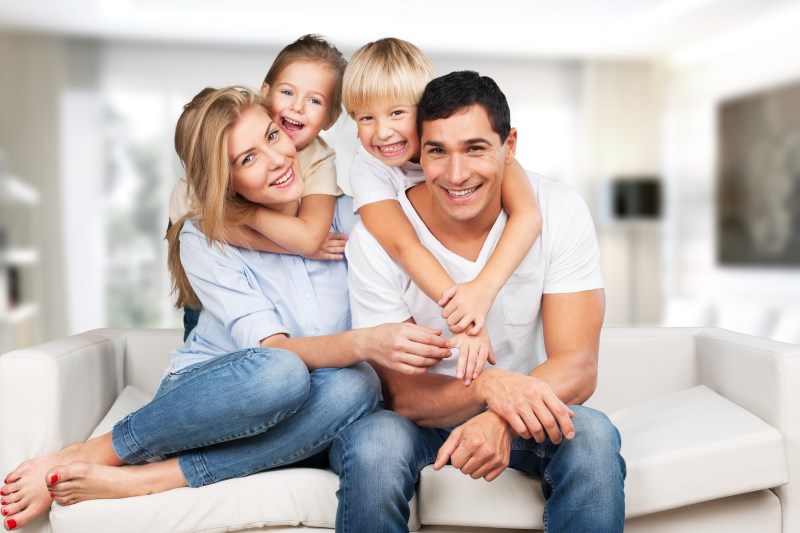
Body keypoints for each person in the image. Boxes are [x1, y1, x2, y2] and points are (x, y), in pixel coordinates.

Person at [0, 86, 452, 532]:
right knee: (281, 371)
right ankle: (91, 453)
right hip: (217, 400)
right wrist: (363, 341)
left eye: (273, 137)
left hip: (318, 412)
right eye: (247, 159)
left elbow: (442, 188)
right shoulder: (205, 237)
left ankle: (155, 479)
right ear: (225, 179)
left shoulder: (355, 217)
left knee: (359, 384)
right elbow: (276, 351)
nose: (276, 160)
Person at [330, 71, 626, 532]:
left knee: (590, 435)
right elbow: (403, 395)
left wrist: (501, 419)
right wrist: (488, 388)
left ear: (509, 146)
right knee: (373, 444)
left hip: (523, 410)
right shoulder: (376, 238)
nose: (456, 174)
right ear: (417, 151)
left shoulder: (559, 208)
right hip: (420, 421)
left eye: (475, 148)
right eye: (437, 151)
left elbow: (578, 365)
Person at [342, 38, 544, 385]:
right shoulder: (369, 168)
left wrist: (482, 291)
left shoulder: (472, 142)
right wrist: (465, 318)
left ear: (423, 111)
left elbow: (528, 215)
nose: (382, 131)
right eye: (366, 118)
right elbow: (403, 245)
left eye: (396, 113)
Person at [170, 34, 349, 340]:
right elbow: (203, 228)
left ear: (331, 119)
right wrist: (250, 216)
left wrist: (244, 215)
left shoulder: (318, 159)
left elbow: (308, 238)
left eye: (315, 100)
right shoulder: (207, 172)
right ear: (265, 94)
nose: (297, 107)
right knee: (206, 327)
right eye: (288, 92)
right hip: (213, 279)